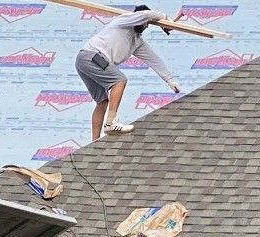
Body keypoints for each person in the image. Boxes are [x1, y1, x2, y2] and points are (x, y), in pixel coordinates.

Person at [75, 5, 182, 140]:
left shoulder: (137, 41)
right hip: (91, 56)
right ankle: (110, 123)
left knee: (102, 102)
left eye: (146, 24)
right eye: (143, 21)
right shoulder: (124, 20)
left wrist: (170, 80)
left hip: (86, 60)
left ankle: (94, 141)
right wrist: (166, 20)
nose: (144, 25)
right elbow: (147, 15)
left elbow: (153, 59)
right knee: (119, 81)